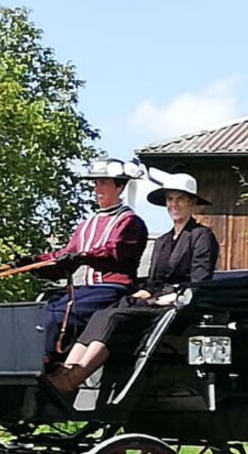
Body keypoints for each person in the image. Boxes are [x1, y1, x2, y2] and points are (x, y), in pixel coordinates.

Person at [44, 172, 220, 394]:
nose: (174, 205)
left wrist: (173, 296)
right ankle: (67, 370)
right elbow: (154, 281)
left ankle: (78, 375)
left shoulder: (201, 236)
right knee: (103, 313)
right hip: (156, 302)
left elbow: (201, 282)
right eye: (170, 199)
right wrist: (145, 292)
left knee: (115, 317)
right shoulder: (163, 240)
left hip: (182, 306)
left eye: (180, 199)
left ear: (192, 203)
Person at [12, 158, 149, 373]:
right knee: (42, 310)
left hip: (112, 289)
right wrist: (34, 263)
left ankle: (48, 365)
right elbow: (62, 257)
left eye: (103, 183)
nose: (97, 189)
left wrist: (82, 257)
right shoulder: (86, 224)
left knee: (55, 315)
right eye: (96, 183)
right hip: (85, 290)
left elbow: (114, 253)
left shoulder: (130, 222)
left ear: (120, 186)